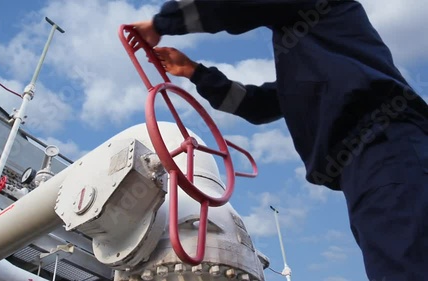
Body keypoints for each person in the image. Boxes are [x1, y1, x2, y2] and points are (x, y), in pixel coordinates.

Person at [131, 0, 428, 280]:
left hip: (383, 146)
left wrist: (161, 23)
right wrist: (195, 72)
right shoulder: (312, 56)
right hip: (369, 164)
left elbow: (237, 5)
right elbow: (258, 106)